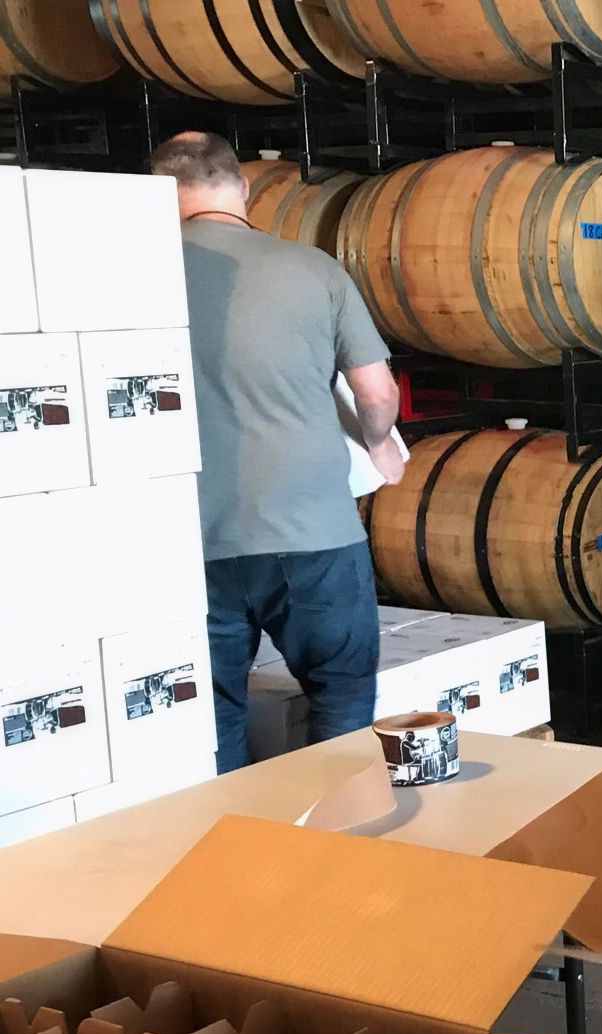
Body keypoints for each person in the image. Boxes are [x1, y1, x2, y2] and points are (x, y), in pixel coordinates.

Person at [151, 132, 405, 773]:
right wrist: (378, 446)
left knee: (213, 720)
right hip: (313, 532)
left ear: (160, 195)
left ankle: (233, 856)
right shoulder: (312, 268)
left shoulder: (134, 276)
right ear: (241, 189)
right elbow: (375, 389)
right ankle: (336, 851)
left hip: (187, 541)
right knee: (342, 701)